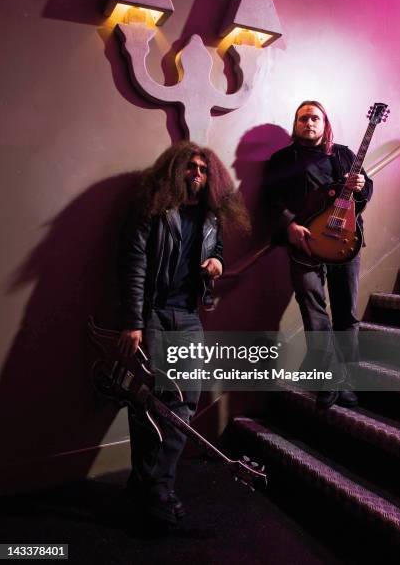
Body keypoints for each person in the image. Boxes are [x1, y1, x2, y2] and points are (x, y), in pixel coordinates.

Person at [117, 140, 249, 524]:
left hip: (188, 317)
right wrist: (133, 323)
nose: (197, 174)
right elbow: (133, 266)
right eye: (190, 167)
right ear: (176, 170)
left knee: (184, 404)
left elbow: (218, 248)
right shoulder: (152, 208)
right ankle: (147, 486)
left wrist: (217, 263)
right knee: (149, 406)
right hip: (154, 315)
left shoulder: (210, 217)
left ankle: (158, 488)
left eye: (204, 169)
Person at [266, 101, 373, 409]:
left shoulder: (344, 154)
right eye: (303, 118)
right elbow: (269, 198)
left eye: (314, 118)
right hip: (305, 244)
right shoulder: (281, 160)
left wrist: (363, 186)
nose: (308, 123)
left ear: (324, 123)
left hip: (346, 242)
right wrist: (290, 225)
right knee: (314, 313)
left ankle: (347, 380)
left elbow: (363, 196)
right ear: (295, 124)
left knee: (346, 314)